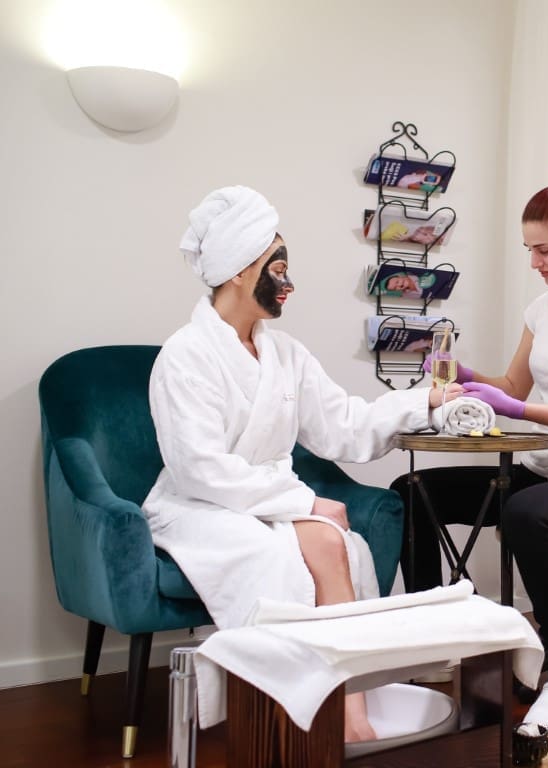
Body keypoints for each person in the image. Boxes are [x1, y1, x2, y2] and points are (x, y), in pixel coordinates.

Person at [142, 186, 460, 743]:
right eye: (278, 269)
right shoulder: (184, 356)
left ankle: (342, 717)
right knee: (290, 552)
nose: (289, 283)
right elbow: (198, 469)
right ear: (239, 270)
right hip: (200, 506)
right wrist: (304, 501)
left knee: (336, 544)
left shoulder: (286, 354)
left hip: (266, 502)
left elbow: (345, 426)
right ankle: (306, 720)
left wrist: (423, 403)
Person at [401, 169, 548, 734]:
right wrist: (467, 375)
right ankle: (434, 642)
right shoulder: (541, 310)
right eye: (529, 250)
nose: (535, 261)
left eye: (543, 249)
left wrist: (516, 409)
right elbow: (513, 387)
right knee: (413, 492)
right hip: (541, 470)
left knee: (527, 513)